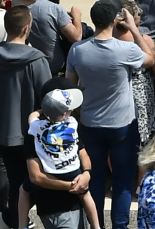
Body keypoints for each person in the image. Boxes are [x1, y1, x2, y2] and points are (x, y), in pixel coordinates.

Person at [65, 0, 155, 229]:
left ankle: (95, 225)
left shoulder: (78, 50)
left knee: (93, 179)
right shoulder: (125, 50)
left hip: (90, 122)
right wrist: (134, 28)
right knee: (123, 180)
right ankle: (120, 225)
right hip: (122, 125)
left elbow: (70, 86)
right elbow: (151, 58)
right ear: (115, 20)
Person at [0, 5, 49, 229]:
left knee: (0, 184)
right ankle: (19, 221)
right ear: (27, 28)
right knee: (24, 184)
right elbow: (47, 100)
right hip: (28, 135)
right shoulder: (37, 60)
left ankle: (4, 219)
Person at [24, 87, 99, 229]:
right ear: (65, 114)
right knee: (86, 195)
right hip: (73, 170)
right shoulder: (72, 123)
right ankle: (97, 226)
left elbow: (31, 117)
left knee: (23, 190)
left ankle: (22, 225)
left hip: (53, 171)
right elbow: (36, 177)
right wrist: (79, 180)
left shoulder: (37, 128)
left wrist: (42, 111)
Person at [17, 0, 80, 75]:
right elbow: (76, 37)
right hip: (54, 66)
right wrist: (77, 16)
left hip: (28, 64)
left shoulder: (18, 8)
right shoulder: (54, 9)